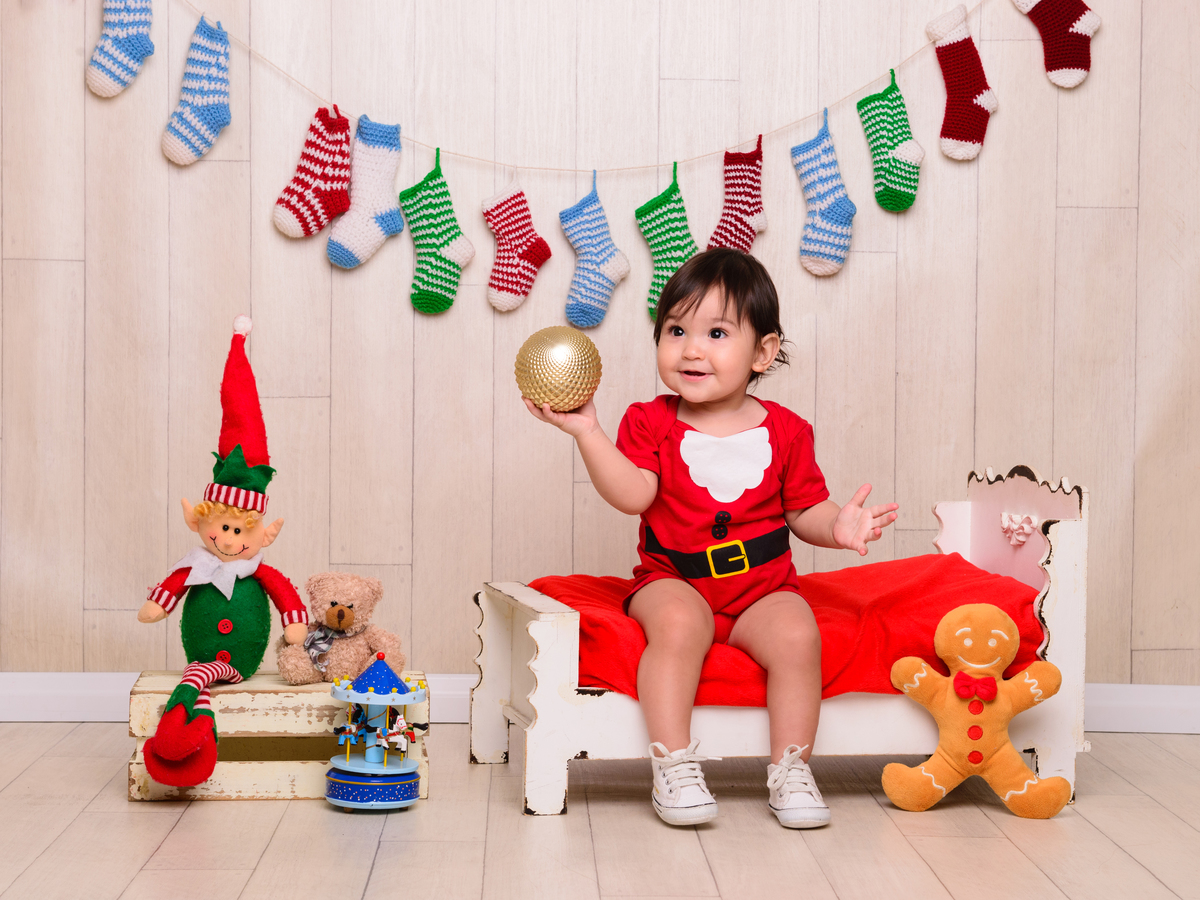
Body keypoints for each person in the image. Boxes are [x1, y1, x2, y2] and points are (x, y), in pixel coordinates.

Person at [525, 248, 898, 828]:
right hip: (673, 578)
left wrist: (837, 526)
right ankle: (673, 763)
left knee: (799, 635)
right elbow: (634, 496)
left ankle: (792, 769)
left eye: (717, 332)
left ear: (763, 352)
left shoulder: (788, 431)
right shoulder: (649, 420)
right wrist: (588, 432)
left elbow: (804, 509)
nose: (690, 349)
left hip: (762, 586)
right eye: (675, 330)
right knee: (677, 625)